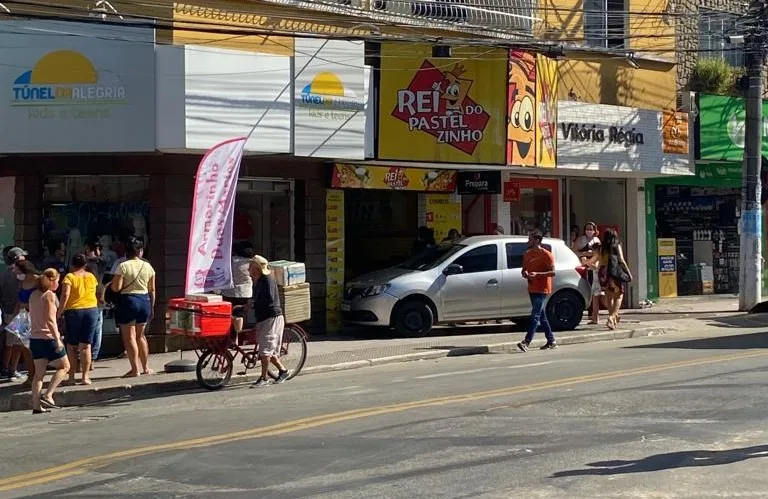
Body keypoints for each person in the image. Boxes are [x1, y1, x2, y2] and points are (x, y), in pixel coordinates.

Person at [110, 237, 155, 378]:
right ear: (140, 251)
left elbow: (116, 288)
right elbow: (152, 289)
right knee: (141, 336)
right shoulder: (148, 266)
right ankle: (146, 367)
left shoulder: (123, 266)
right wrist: (151, 306)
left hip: (128, 301)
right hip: (144, 301)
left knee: (129, 338)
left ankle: (135, 369)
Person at [28, 268, 70, 414]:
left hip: (35, 338)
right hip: (48, 337)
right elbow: (51, 320)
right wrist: (57, 339)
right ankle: (48, 394)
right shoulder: (49, 296)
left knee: (38, 375)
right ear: (52, 281)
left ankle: (36, 405)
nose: (58, 284)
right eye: (57, 281)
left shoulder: (33, 295)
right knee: (65, 366)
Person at [57, 254, 100, 385]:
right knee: (86, 346)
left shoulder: (69, 277)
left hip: (74, 311)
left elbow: (65, 294)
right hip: (91, 309)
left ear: (72, 264)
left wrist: (59, 311)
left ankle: (71, 378)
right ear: (85, 264)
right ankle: (85, 377)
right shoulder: (91, 276)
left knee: (71, 346)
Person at [249, 255, 289, 388]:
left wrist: (254, 303)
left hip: (271, 317)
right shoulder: (258, 280)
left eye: (250, 267)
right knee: (266, 349)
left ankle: (263, 378)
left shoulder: (267, 280)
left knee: (265, 350)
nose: (248, 270)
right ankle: (283, 371)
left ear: (256, 269)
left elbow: (269, 300)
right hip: (263, 317)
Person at [517, 231, 557, 352]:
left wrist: (538, 274)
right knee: (541, 315)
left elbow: (553, 272)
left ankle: (526, 341)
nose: (528, 241)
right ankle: (551, 340)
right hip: (532, 287)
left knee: (535, 315)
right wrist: (525, 273)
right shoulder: (527, 254)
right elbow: (524, 269)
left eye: (530, 239)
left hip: (542, 288)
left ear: (537, 240)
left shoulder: (546, 255)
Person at [599, 228, 632, 330]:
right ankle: (612, 316)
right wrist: (628, 273)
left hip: (603, 274)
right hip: (613, 274)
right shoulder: (616, 246)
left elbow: (600, 261)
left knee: (609, 297)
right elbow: (621, 260)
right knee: (619, 295)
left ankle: (612, 320)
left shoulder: (602, 247)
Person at [222, 242, 255, 341]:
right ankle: (238, 336)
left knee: (229, 315)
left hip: (229, 292)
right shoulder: (251, 263)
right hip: (245, 293)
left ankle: (232, 338)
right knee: (239, 314)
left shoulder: (231, 261)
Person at [572, 222, 602, 324]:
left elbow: (599, 253)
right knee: (587, 288)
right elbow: (574, 251)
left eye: (591, 229)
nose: (589, 231)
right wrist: (585, 254)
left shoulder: (597, 240)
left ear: (594, 230)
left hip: (594, 266)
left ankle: (593, 314)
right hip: (583, 265)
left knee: (595, 291)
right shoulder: (581, 240)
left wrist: (593, 255)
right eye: (587, 229)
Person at [1, 247, 24, 379]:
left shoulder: (3, 274)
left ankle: (6, 368)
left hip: (6, 312)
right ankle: (11, 369)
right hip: (17, 312)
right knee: (16, 343)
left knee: (9, 342)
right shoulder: (19, 275)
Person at [84, 240, 106, 361]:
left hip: (87, 296)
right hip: (99, 295)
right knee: (98, 327)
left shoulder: (85, 263)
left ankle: (88, 354)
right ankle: (93, 355)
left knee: (89, 327)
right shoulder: (101, 262)